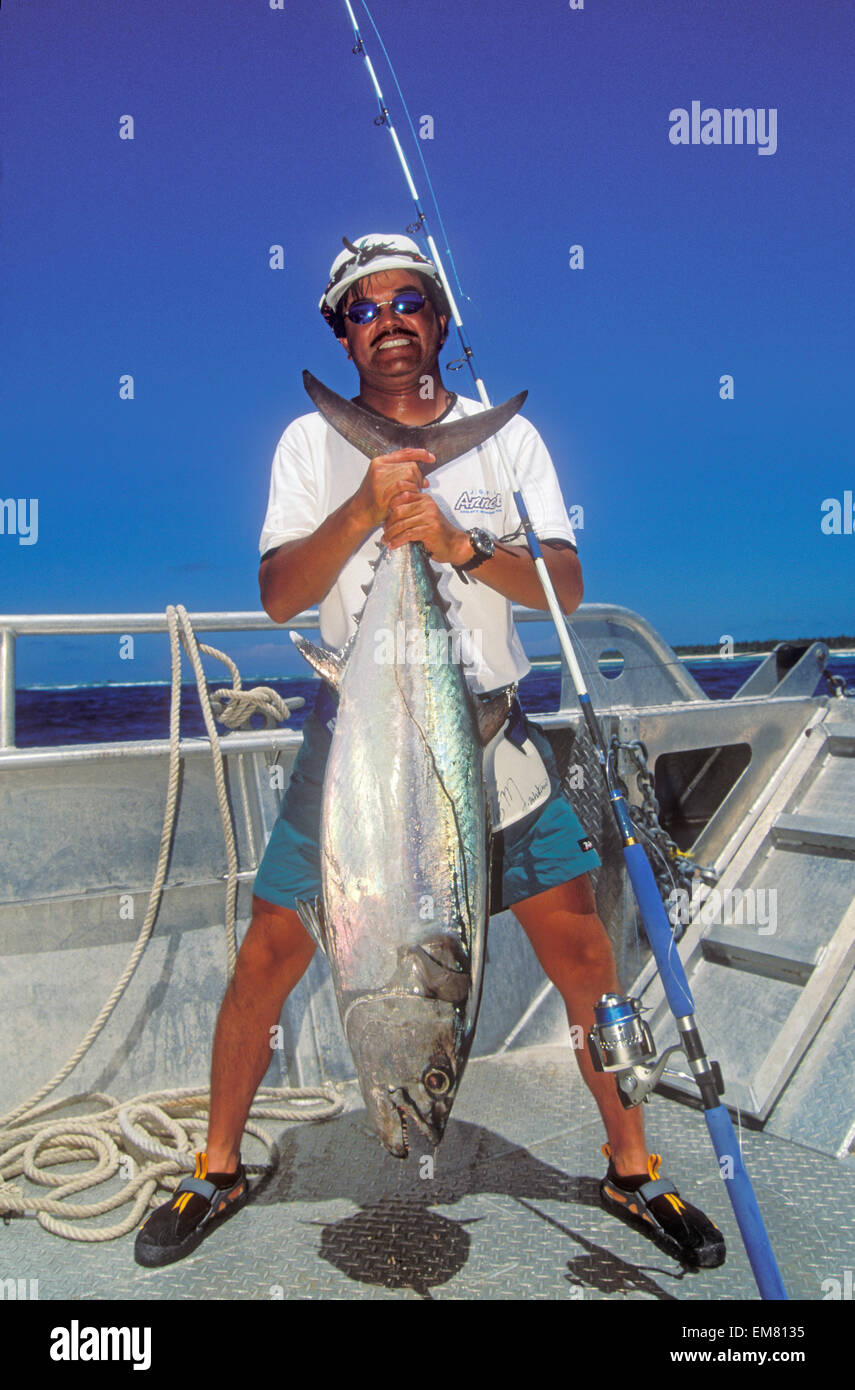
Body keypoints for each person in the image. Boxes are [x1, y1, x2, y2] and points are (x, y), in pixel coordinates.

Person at [135, 234, 725, 1272]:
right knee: (271, 952)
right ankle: (217, 1163)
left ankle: (632, 1167)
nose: (391, 320)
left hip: (488, 733)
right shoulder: (307, 444)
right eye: (365, 309)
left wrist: (459, 544)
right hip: (356, 744)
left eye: (411, 301)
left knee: (583, 955)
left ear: (441, 321)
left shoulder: (510, 441)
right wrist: (366, 508)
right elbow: (279, 593)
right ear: (341, 331)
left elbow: (567, 588)